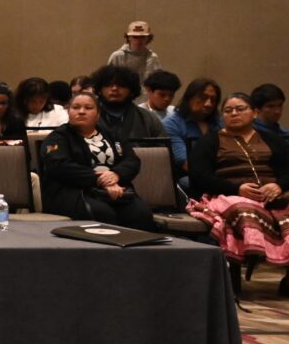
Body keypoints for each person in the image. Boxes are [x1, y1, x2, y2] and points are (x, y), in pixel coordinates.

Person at [187, 93, 289, 296]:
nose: (234, 113)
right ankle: (234, 284)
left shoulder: (272, 139)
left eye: (240, 109)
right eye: (228, 110)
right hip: (229, 194)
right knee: (243, 211)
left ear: (254, 113)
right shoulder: (210, 141)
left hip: (273, 196)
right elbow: (199, 176)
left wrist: (278, 185)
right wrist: (237, 188)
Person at [34, 90, 158, 229]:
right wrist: (100, 180)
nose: (81, 112)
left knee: (141, 213)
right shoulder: (58, 137)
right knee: (102, 213)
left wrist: (116, 174)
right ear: (68, 112)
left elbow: (132, 160)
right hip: (72, 191)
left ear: (98, 114)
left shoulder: (112, 135)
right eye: (76, 107)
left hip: (113, 190)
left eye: (88, 108)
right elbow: (59, 166)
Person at [166, 78, 222, 186]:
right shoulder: (172, 124)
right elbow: (186, 164)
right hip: (189, 176)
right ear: (189, 98)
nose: (208, 104)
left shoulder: (219, 123)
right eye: (203, 98)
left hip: (222, 174)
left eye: (213, 100)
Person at [92, 64, 165, 145]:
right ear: (100, 89)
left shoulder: (148, 119)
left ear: (131, 91)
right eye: (108, 85)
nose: (114, 89)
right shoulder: (88, 116)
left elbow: (162, 149)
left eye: (121, 85)